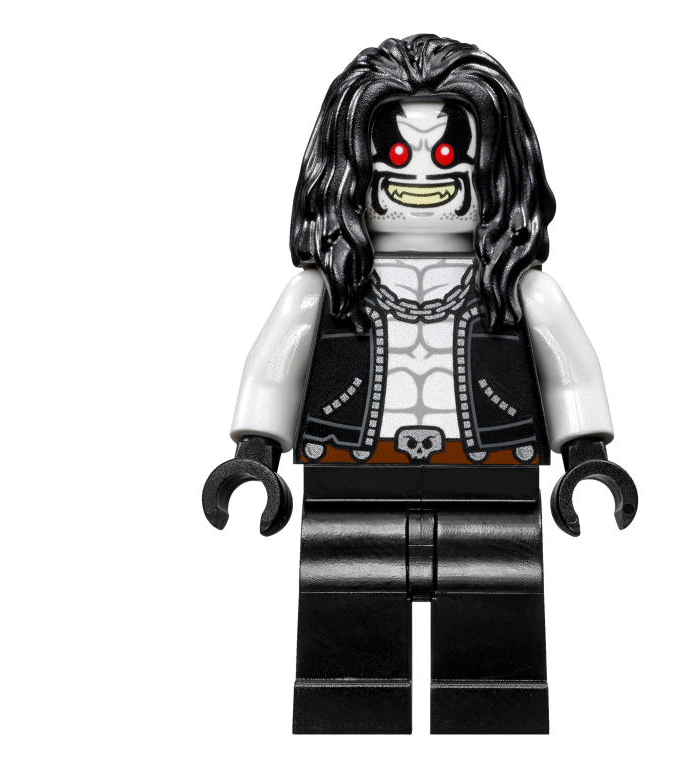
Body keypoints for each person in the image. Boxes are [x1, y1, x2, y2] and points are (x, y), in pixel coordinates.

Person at [202, 33, 637, 735]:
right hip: (350, 485)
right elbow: (272, 370)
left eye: (449, 150)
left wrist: (587, 456)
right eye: (399, 155)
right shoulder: (326, 289)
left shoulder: (520, 289)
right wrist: (255, 454)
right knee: (347, 656)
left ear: (498, 169)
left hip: (492, 490)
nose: (426, 174)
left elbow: (570, 377)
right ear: (347, 168)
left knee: (495, 660)